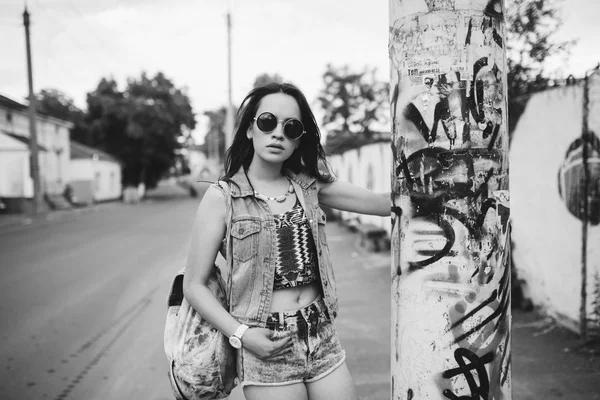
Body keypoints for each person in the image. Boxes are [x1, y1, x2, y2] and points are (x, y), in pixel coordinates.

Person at [183, 82, 389, 400]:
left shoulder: (309, 187)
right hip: (264, 342)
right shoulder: (222, 197)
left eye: (291, 127)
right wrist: (242, 335)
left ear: (298, 140)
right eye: (268, 122)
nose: (278, 133)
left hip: (320, 334)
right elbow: (194, 285)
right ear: (250, 129)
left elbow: (385, 204)